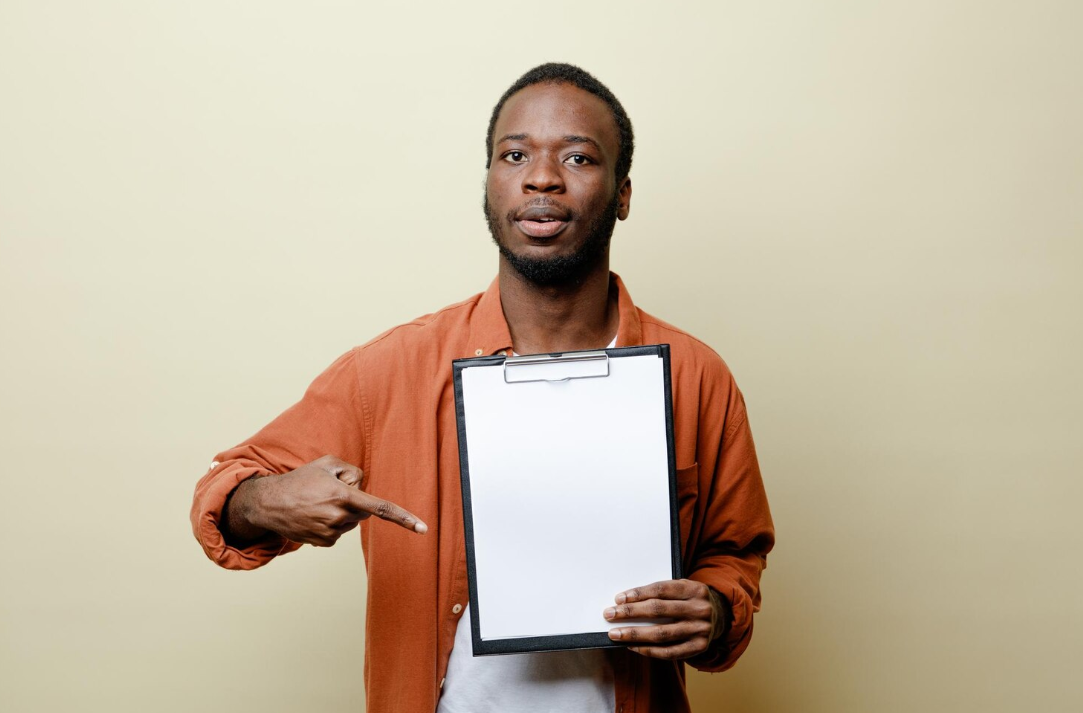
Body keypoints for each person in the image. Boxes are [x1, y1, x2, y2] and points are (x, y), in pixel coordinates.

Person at [191, 63, 774, 713]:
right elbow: (226, 494)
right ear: (490, 183)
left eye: (578, 157)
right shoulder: (393, 368)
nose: (541, 176)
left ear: (622, 194)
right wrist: (268, 500)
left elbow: (733, 554)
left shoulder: (695, 377)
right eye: (514, 154)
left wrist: (715, 610)